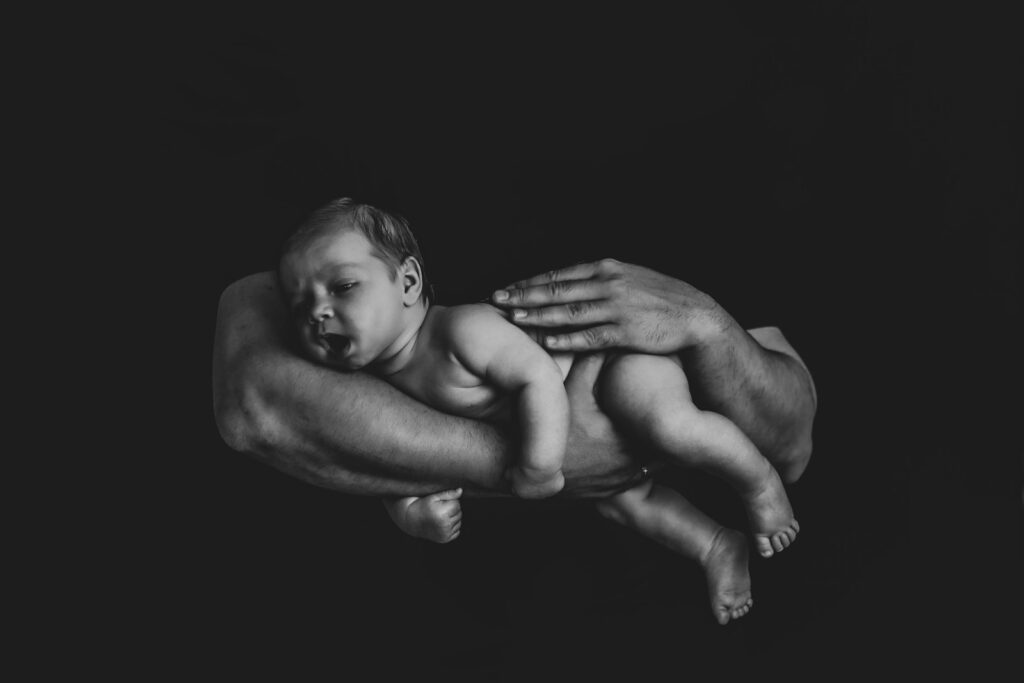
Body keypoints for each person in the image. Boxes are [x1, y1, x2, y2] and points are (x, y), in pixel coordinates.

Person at [211, 205, 816, 625]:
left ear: (408, 282)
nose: (317, 313)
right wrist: (413, 515)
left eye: (341, 288)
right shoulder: (372, 378)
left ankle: (756, 483)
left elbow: (534, 381)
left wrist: (539, 466)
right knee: (625, 502)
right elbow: (388, 462)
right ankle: (715, 545)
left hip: (606, 372)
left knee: (667, 424)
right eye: (301, 307)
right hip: (559, 501)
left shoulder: (460, 329)